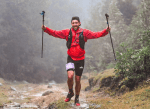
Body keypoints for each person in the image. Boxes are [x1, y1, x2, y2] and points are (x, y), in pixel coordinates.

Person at [41, 16, 111, 106]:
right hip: (70, 58)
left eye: (76, 23)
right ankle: (70, 92)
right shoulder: (66, 32)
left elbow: (96, 35)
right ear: (71, 24)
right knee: (70, 76)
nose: (75, 24)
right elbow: (55, 33)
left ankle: (77, 98)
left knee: (78, 80)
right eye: (73, 23)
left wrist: (106, 31)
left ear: (79, 23)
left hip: (81, 59)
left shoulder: (85, 32)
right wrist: (45, 29)